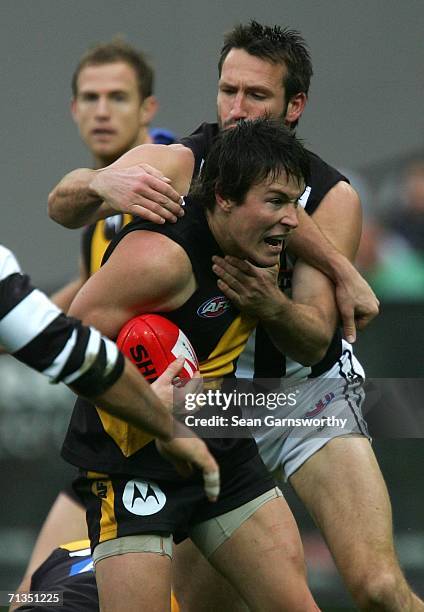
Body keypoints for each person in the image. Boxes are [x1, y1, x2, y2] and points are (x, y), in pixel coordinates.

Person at [60, 119, 320, 611]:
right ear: (223, 197)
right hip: (131, 458)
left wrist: (335, 280)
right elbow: (70, 345)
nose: (291, 220)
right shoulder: (161, 259)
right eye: (275, 202)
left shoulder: (267, 242)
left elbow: (318, 340)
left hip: (217, 434)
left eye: (295, 202)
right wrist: (149, 403)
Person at [11, 39, 188, 599]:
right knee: (30, 597)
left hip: (178, 447)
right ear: (74, 109)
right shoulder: (102, 203)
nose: (103, 110)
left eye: (118, 96)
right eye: (91, 97)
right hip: (110, 445)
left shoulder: (168, 184)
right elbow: (85, 294)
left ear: (148, 109)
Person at [0, 243, 219, 496]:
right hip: (178, 423)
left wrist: (277, 312)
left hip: (238, 414)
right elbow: (73, 349)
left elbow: (59, 339)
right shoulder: (161, 252)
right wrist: (165, 425)